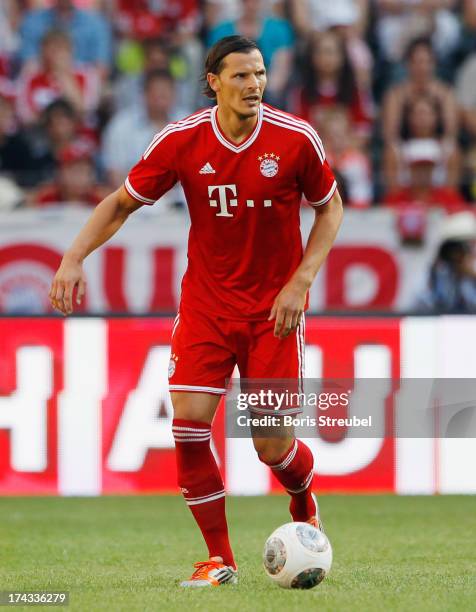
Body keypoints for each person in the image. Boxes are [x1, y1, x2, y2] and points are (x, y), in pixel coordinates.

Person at [49, 35, 343, 587]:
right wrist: (73, 256)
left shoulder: (295, 137)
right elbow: (121, 203)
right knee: (187, 425)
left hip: (273, 314)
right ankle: (219, 560)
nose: (254, 85)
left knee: (271, 446)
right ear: (214, 81)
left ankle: (303, 502)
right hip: (207, 306)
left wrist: (300, 282)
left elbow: (331, 208)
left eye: (258, 74)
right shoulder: (182, 140)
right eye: (240, 76)